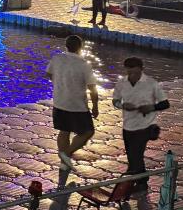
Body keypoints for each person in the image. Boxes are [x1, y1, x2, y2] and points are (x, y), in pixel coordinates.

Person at [112, 57, 169, 190]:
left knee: (136, 155)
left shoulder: (151, 84)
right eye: (129, 72)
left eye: (135, 73)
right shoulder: (121, 83)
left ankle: (140, 183)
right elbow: (115, 101)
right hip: (128, 126)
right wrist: (122, 105)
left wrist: (151, 107)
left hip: (145, 126)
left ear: (141, 70)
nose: (132, 76)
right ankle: (140, 179)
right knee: (133, 156)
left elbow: (165, 103)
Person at [45, 35, 99, 172]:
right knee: (88, 132)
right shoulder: (83, 64)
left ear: (66, 45)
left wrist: (60, 84)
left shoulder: (57, 59)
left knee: (64, 131)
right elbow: (92, 87)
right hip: (77, 105)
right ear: (80, 47)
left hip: (59, 101)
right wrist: (95, 106)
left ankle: (64, 162)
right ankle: (67, 153)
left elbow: (49, 74)